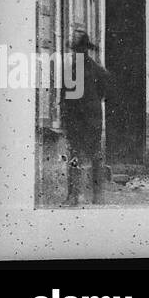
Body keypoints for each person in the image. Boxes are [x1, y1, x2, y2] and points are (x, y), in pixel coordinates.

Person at [62, 29, 110, 205]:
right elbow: (66, 95)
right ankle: (75, 195)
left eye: (80, 48)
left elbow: (104, 92)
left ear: (85, 50)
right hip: (80, 118)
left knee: (93, 156)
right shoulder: (74, 69)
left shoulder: (94, 70)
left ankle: (95, 195)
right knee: (76, 156)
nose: (77, 52)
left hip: (89, 119)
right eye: (76, 49)